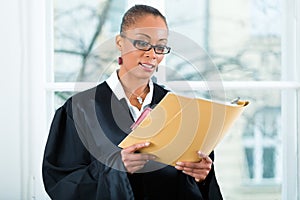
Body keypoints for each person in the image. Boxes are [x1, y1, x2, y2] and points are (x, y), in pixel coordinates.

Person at [42, 4, 223, 200]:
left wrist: (202, 177)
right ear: (120, 42)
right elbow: (62, 185)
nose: (152, 54)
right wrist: (116, 168)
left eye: (160, 47)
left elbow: (195, 182)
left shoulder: (179, 109)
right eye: (142, 43)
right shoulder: (80, 109)